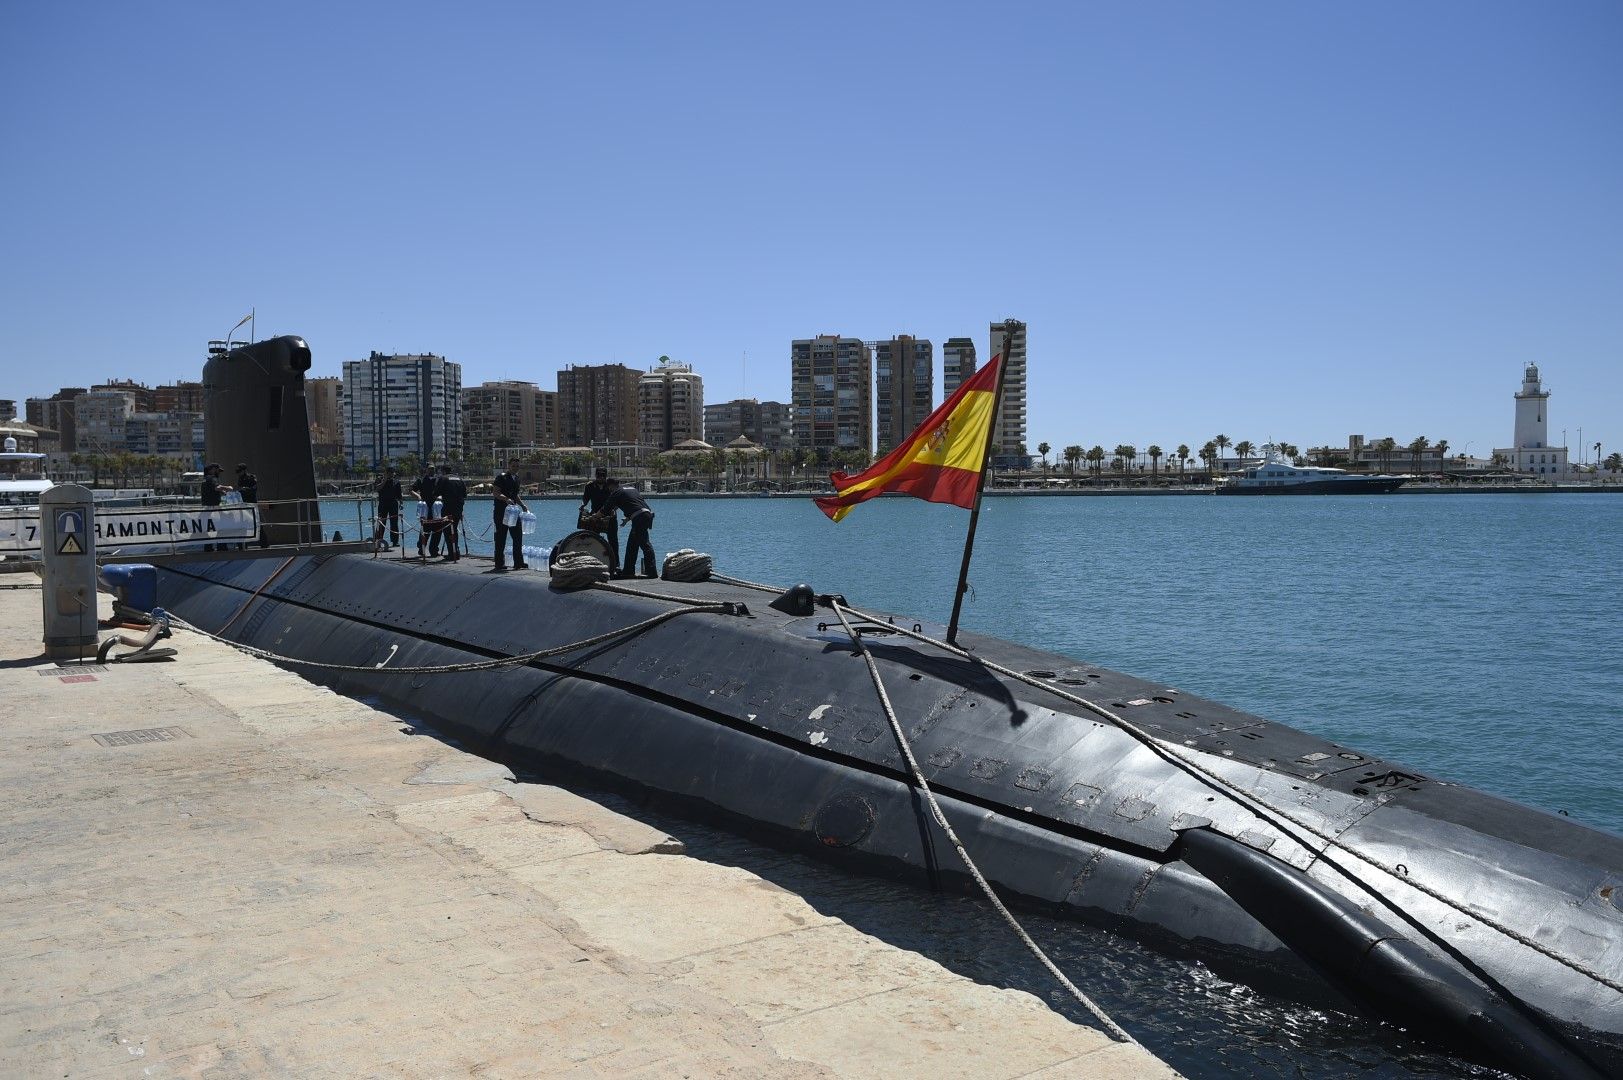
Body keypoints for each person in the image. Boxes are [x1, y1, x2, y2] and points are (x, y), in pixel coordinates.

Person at [603, 481, 656, 578]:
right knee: (632, 544)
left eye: (609, 489)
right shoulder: (631, 489)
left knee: (645, 544)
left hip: (640, 518)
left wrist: (595, 516)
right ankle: (628, 571)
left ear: (611, 486)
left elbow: (606, 508)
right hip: (645, 514)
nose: (610, 491)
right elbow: (635, 504)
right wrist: (627, 519)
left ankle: (652, 572)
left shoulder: (617, 492)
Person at [579, 466, 619, 574]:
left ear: (606, 476)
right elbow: (585, 500)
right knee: (593, 540)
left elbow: (617, 501)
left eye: (603, 475)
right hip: (595, 516)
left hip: (609, 516)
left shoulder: (610, 486)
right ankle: (593, 563)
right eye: (599, 475)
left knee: (613, 541)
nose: (601, 477)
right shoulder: (590, 486)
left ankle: (615, 565)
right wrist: (582, 506)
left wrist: (614, 510)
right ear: (595, 475)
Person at [492, 465, 528, 570]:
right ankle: (499, 563)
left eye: (517, 466)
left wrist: (522, 505)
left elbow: (515, 495)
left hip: (513, 512)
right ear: (509, 466)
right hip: (501, 512)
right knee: (501, 538)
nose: (515, 467)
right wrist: (506, 499)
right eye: (513, 465)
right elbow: (496, 492)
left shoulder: (516, 479)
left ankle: (518, 562)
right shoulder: (501, 477)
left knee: (518, 537)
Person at [436, 463, 467, 562]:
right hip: (458, 509)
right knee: (454, 530)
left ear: (444, 471)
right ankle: (455, 552)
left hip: (448, 508)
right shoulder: (459, 479)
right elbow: (465, 495)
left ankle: (452, 553)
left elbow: (436, 492)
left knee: (447, 530)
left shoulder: (443, 478)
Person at [200, 462, 233, 551]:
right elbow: (216, 488)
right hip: (213, 508)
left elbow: (211, 490)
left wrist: (222, 492)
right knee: (221, 527)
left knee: (209, 529)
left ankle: (208, 547)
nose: (219, 473)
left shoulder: (205, 479)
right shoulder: (212, 478)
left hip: (206, 508)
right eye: (218, 471)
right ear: (213, 469)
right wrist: (228, 488)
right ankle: (221, 547)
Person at [411, 466, 438, 558]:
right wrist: (418, 497)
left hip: (436, 507)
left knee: (437, 530)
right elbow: (411, 490)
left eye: (433, 469)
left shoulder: (438, 480)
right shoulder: (421, 480)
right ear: (426, 470)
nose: (431, 470)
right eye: (430, 469)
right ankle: (421, 548)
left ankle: (434, 550)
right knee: (425, 528)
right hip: (425, 507)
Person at [374, 466, 402, 548]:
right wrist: (385, 480)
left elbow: (399, 494)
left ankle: (395, 541)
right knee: (381, 522)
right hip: (383, 503)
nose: (390, 474)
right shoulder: (379, 479)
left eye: (392, 472)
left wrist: (401, 503)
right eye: (389, 472)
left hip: (393, 504)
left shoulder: (396, 481)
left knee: (394, 523)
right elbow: (377, 489)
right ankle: (378, 540)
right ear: (386, 473)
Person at [234, 463, 260, 549]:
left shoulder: (252, 477)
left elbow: (254, 488)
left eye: (240, 471)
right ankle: (242, 545)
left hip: (251, 503)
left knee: (256, 523)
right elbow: (239, 489)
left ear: (244, 470)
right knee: (242, 525)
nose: (239, 473)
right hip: (243, 504)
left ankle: (264, 543)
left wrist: (246, 489)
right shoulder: (240, 479)